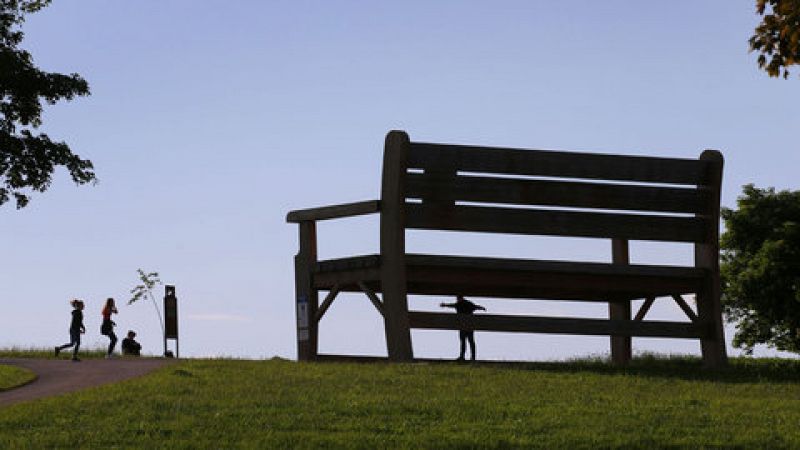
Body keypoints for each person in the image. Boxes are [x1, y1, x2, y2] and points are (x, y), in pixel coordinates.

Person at [440, 295, 486, 361]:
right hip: (470, 325)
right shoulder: (468, 303)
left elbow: (451, 305)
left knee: (463, 342)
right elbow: (476, 307)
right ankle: (472, 357)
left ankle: (462, 356)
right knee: (471, 341)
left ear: (459, 298)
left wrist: (444, 305)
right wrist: (482, 308)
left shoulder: (459, 304)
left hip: (462, 326)